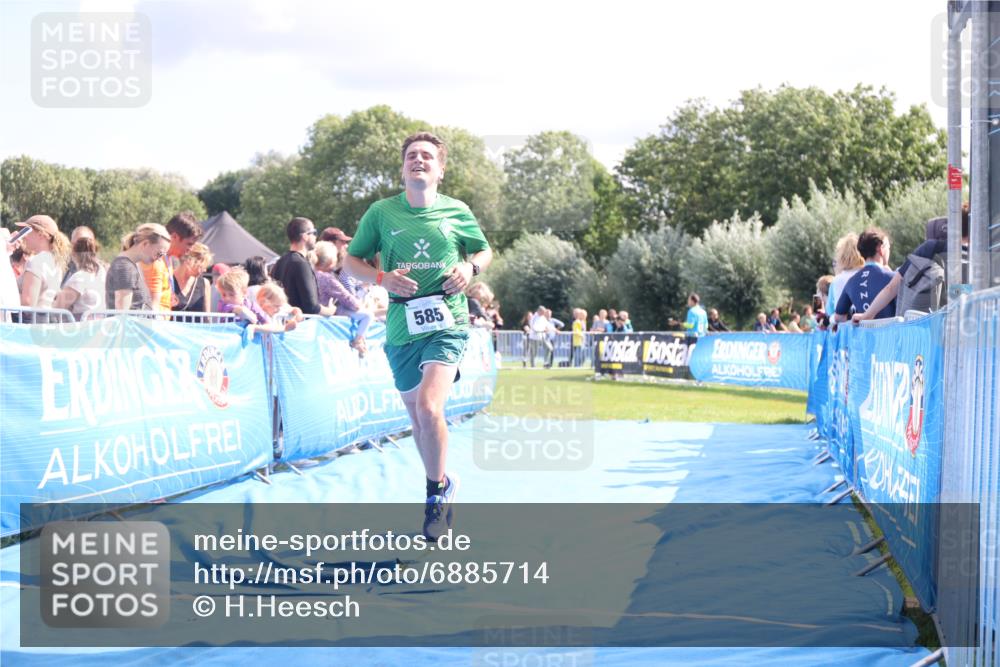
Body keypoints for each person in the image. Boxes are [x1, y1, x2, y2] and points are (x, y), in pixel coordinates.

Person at [342, 131, 492, 540]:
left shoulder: (457, 211)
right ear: (403, 167)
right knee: (418, 419)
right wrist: (382, 277)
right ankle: (443, 482)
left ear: (440, 169)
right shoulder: (381, 213)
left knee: (429, 408)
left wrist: (471, 269)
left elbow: (483, 251)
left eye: (428, 156)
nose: (419, 160)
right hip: (401, 327)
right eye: (412, 155)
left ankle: (433, 497)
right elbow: (350, 260)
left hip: (448, 321)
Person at [853, 206, 971, 325]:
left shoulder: (931, 248)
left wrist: (867, 315)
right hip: (965, 326)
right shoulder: (980, 258)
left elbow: (892, 288)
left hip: (923, 327)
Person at [272, 217, 337, 317]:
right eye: (314, 232)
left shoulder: (280, 262)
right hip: (300, 326)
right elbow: (311, 307)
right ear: (305, 236)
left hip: (286, 323)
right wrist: (330, 311)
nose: (316, 236)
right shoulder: (301, 263)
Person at [314, 240, 370, 355]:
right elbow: (350, 301)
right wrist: (363, 292)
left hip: (318, 315)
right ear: (330, 260)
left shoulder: (311, 273)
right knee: (368, 315)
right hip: (327, 313)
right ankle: (358, 341)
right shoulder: (327, 278)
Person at [833, 228, 895, 323]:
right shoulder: (892, 278)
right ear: (880, 248)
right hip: (891, 335)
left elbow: (839, 318)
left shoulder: (851, 281)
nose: (889, 251)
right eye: (888, 247)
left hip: (864, 336)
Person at [107, 223, 170, 311]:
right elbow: (122, 314)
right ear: (145, 244)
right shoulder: (125, 268)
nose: (159, 259)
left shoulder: (128, 265)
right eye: (159, 254)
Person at [17, 215, 70, 312]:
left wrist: (6, 297)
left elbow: (28, 303)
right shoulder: (56, 263)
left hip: (30, 324)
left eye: (27, 231)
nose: (24, 235)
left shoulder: (36, 261)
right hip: (44, 322)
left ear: (41, 234)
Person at [54, 237, 106, 319]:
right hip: (101, 324)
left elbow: (58, 308)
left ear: (74, 254)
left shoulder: (79, 278)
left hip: (82, 327)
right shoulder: (103, 272)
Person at [828, 233, 864, 319]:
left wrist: (830, 319)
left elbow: (838, 314)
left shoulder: (838, 279)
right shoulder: (867, 273)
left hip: (848, 328)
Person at [172, 242, 214, 313]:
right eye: (201, 266)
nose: (204, 270)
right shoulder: (167, 279)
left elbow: (207, 317)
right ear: (190, 261)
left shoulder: (204, 283)